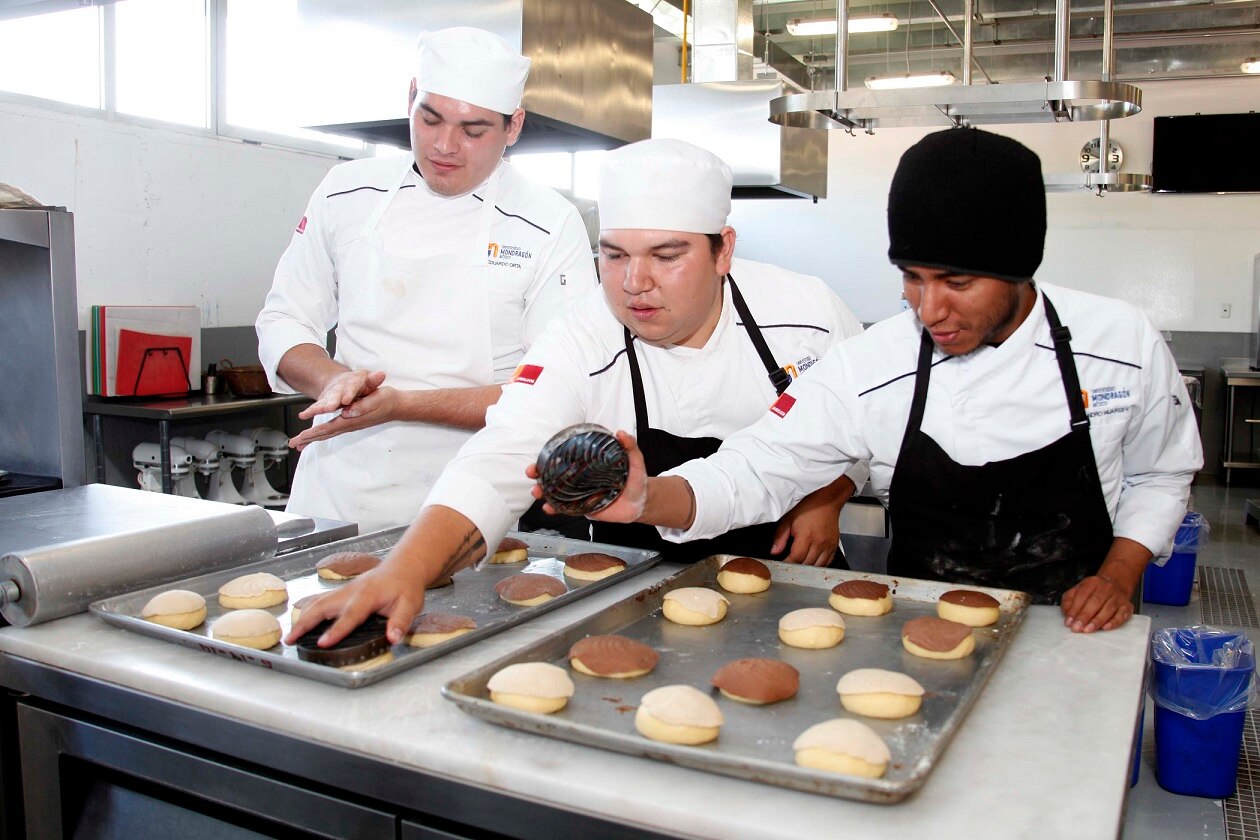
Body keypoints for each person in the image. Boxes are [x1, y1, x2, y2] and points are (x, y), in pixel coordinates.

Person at [583, 127, 1203, 635]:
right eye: (912, 278)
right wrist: (649, 499)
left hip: (1081, 627)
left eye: (957, 283)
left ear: (1020, 271)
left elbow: (1161, 473)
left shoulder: (1119, 344)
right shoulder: (871, 366)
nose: (929, 309)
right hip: (922, 629)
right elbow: (754, 468)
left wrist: (1118, 575)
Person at [288, 139, 866, 647]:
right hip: (634, 582)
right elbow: (501, 456)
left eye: (666, 256)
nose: (634, 283)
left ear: (724, 250)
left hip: (791, 571)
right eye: (613, 256)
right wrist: (404, 571)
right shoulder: (582, 334)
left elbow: (860, 427)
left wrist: (830, 494)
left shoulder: (808, 313)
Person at [256, 27, 596, 533]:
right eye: (430, 118)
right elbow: (284, 319)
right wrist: (333, 381)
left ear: (514, 127)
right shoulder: (346, 191)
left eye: (473, 130)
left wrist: (404, 405)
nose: (444, 145)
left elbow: (557, 388)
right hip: (338, 489)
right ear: (411, 97)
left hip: (475, 499)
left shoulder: (549, 222)